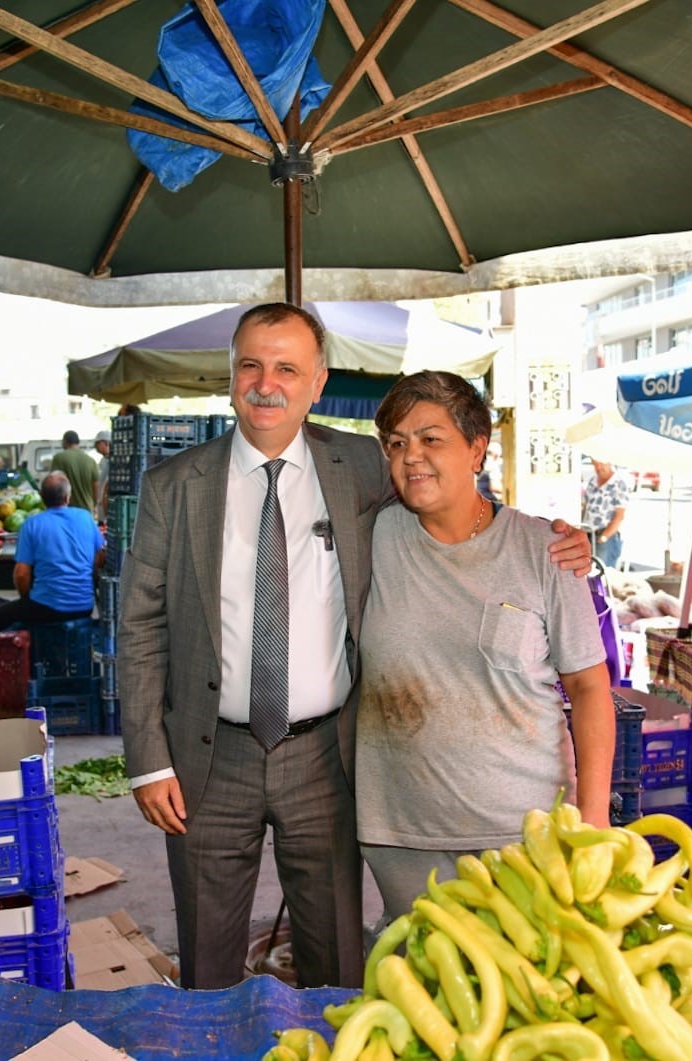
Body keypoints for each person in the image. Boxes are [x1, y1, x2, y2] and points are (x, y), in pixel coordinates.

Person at [117, 302, 589, 991]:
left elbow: (450, 491)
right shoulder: (173, 487)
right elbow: (139, 627)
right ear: (230, 376)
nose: (265, 383)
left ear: (317, 381)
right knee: (207, 961)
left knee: (337, 956)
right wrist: (148, 759)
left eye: (287, 367)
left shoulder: (366, 463)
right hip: (207, 760)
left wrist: (564, 539)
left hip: (328, 756)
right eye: (250, 364)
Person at [357, 371, 615, 923]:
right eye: (397, 443)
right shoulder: (372, 537)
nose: (412, 457)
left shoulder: (545, 551)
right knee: (419, 985)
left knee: (528, 988)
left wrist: (593, 820)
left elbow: (591, 688)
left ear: (477, 448)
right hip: (402, 834)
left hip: (523, 832)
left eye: (432, 439)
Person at [0, 472, 104, 631]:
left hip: (46, 607)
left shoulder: (31, 524)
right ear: (67, 497)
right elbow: (99, 558)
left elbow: (21, 574)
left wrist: (26, 598)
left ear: (42, 497)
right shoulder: (85, 517)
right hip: (84, 607)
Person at [583, 458, 630, 570]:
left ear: (609, 462)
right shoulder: (593, 481)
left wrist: (604, 536)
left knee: (604, 573)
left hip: (605, 536)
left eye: (601, 464)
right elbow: (585, 507)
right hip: (589, 534)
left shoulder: (619, 484)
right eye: (596, 464)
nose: (598, 468)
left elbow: (619, 515)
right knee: (588, 572)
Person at [51, 430, 99, 515]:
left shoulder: (58, 458)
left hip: (66, 511)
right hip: (87, 510)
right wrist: (95, 505)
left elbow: (53, 482)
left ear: (65, 441)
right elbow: (96, 485)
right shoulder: (90, 460)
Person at [93, 429, 112, 520]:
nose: (95, 446)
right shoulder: (103, 460)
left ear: (106, 443)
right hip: (100, 506)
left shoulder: (114, 460)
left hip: (107, 508)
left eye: (98, 443)